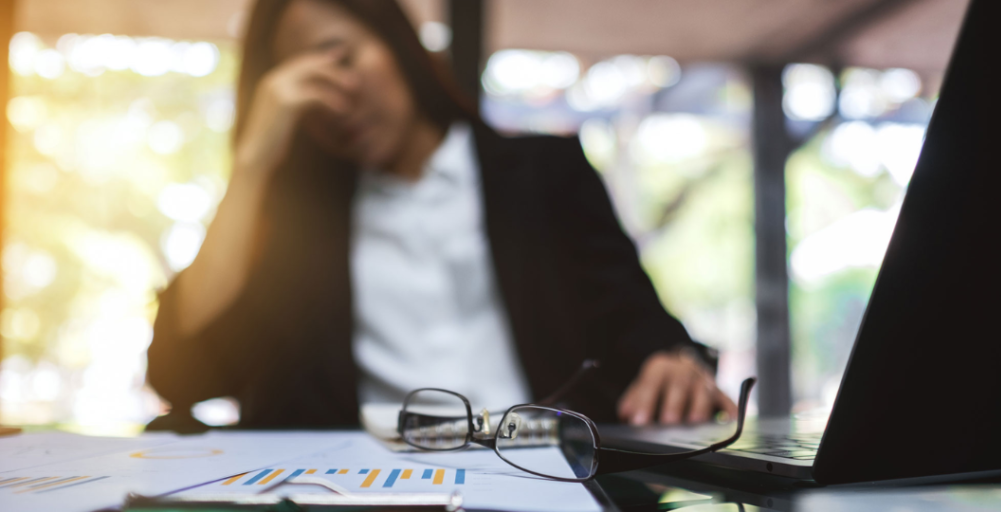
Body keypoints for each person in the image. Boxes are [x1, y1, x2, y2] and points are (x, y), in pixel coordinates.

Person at [146, 0, 737, 430]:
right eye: (300, 84)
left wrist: (673, 359)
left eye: (339, 56)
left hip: (547, 473)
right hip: (362, 490)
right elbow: (181, 376)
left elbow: (640, 324)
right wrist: (251, 164)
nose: (332, 97)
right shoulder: (300, 229)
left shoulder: (545, 174)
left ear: (399, 43)